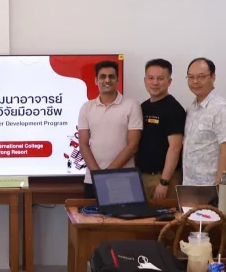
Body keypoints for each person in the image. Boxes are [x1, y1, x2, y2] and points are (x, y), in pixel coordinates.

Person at [77, 60, 142, 198]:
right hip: (92, 179)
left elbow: (133, 145)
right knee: (91, 213)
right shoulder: (86, 107)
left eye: (111, 76)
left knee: (123, 213)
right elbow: (83, 144)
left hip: (124, 179)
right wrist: (97, 175)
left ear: (117, 79)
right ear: (96, 80)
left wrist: (107, 174)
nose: (107, 80)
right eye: (103, 76)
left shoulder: (132, 105)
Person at [136, 59, 185, 201]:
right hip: (142, 177)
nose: (155, 83)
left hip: (163, 179)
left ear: (169, 81)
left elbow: (175, 147)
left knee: (166, 215)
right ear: (145, 80)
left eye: (160, 78)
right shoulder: (143, 107)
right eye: (151, 78)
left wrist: (164, 182)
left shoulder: (174, 109)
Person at [182, 58, 226, 186]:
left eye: (201, 77)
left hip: (210, 186)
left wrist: (220, 185)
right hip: (189, 184)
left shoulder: (221, 108)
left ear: (213, 77)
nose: (195, 81)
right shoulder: (192, 108)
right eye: (191, 77)